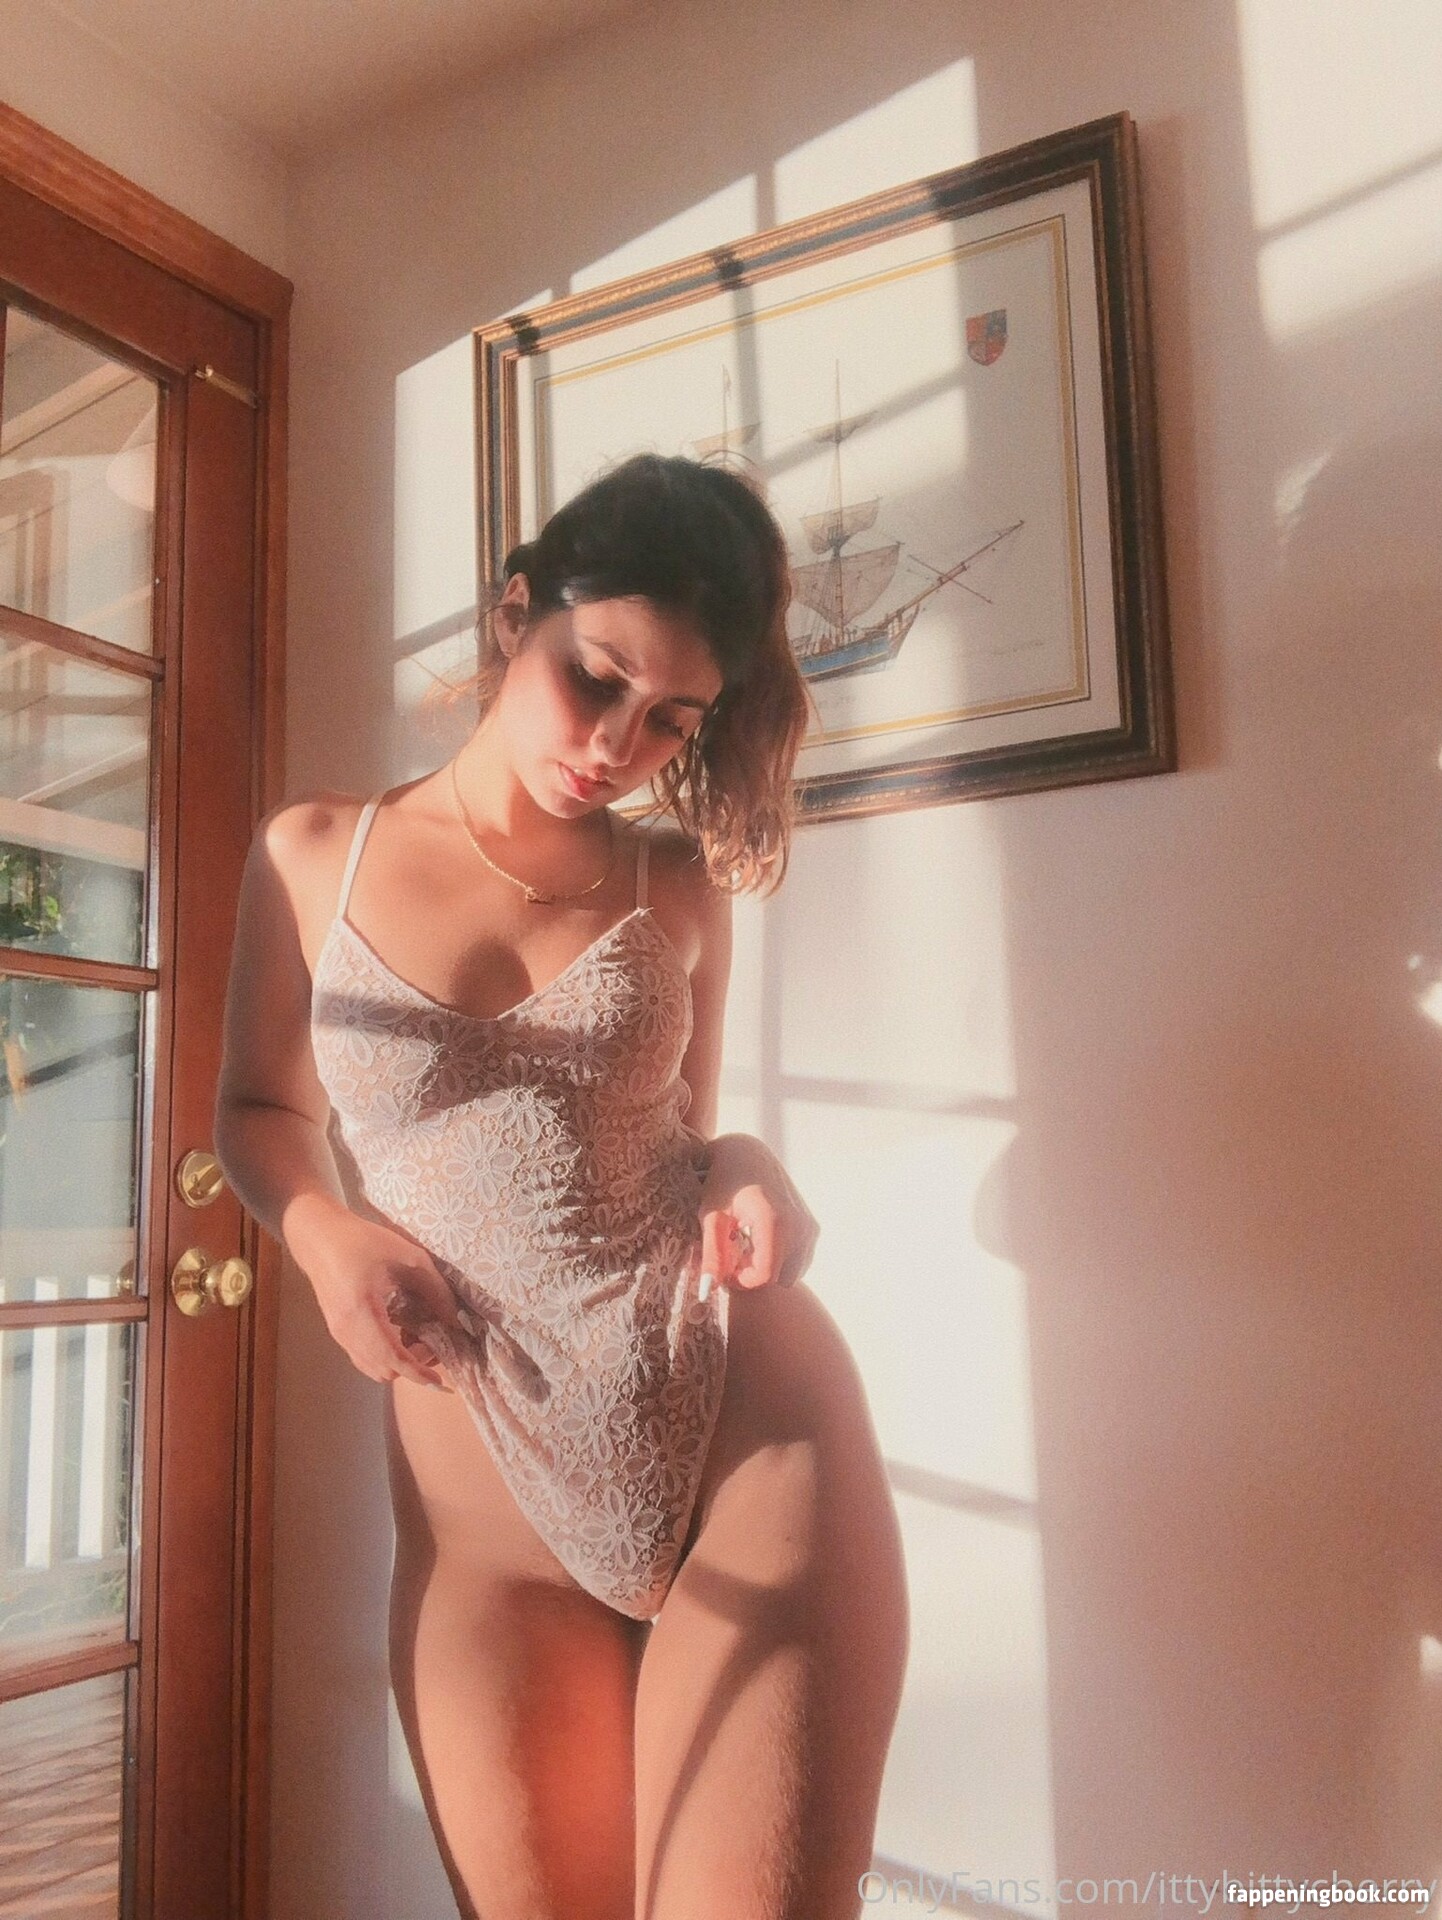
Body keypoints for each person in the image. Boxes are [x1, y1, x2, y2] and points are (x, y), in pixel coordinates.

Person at [215, 453, 907, 1920]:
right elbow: (259, 1111)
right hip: (485, 1527)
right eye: (594, 677)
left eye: (671, 720)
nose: (614, 744)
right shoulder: (313, 855)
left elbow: (687, 1135)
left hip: (741, 1430)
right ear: (513, 611)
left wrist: (748, 1166)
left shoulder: (678, 884)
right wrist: (328, 1237)